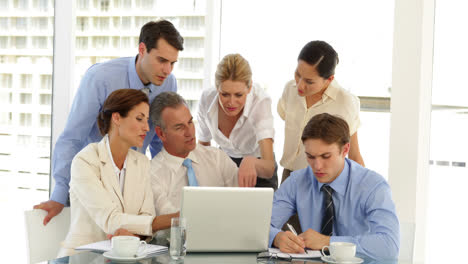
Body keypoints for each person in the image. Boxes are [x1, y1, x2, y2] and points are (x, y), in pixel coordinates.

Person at [34, 19, 184, 225]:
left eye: (172, 63)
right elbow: (72, 137)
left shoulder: (169, 83)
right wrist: (59, 195)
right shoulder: (100, 78)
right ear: (142, 49)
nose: (168, 70)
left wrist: (168, 183)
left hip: (133, 181)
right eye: (161, 60)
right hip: (93, 179)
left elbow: (159, 139)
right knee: (77, 245)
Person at [58, 89, 178, 257]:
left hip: (127, 255)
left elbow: (147, 214)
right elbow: (110, 220)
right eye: (139, 119)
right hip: (85, 256)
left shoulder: (141, 162)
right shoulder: (85, 161)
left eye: (147, 120)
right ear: (116, 118)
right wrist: (176, 219)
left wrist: (131, 237)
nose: (146, 127)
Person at [269, 113, 399, 260]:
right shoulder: (297, 181)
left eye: (326, 156)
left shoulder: (373, 186)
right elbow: (261, 226)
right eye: (310, 157)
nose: (317, 166)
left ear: (345, 150)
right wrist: (277, 238)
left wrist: (327, 242)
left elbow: (389, 245)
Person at [278, 40, 364, 184]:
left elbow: (354, 154)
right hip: (288, 176)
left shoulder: (345, 102)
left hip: (321, 179)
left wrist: (363, 192)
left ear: (329, 80)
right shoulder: (290, 90)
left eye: (309, 82)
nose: (300, 85)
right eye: (298, 74)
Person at [150, 92, 240, 217]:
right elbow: (171, 220)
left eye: (190, 122)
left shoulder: (217, 157)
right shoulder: (153, 174)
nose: (189, 132)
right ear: (161, 134)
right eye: (179, 127)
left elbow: (243, 200)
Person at [197, 54, 277, 189]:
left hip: (258, 166)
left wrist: (250, 162)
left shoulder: (260, 102)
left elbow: (269, 167)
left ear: (249, 87)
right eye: (225, 94)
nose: (231, 103)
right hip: (224, 165)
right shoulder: (207, 98)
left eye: (239, 95)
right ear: (217, 88)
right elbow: (204, 148)